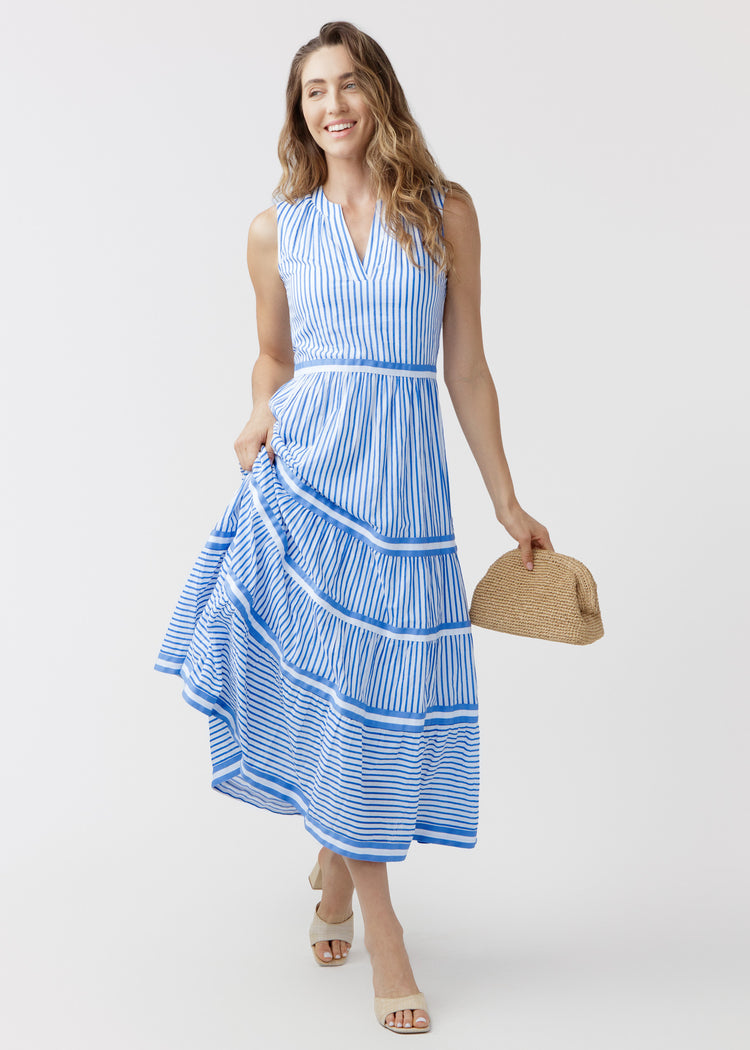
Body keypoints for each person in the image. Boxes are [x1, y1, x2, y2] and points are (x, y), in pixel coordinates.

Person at [155, 20, 553, 1036]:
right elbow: (274, 360)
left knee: (379, 698)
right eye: (311, 92)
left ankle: (334, 862)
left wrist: (506, 498)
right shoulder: (273, 228)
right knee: (347, 694)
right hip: (311, 479)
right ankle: (386, 936)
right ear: (298, 111)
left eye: (345, 85)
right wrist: (256, 412)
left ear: (378, 92)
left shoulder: (446, 213)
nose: (330, 105)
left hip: (407, 496)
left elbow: (465, 367)